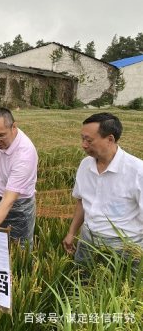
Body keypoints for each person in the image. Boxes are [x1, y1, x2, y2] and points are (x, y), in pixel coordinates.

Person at [62, 113, 143, 268]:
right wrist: (71, 233)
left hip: (124, 247)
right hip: (88, 239)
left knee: (121, 289)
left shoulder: (137, 171)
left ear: (110, 139)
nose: (83, 145)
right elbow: (82, 201)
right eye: (82, 139)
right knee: (82, 283)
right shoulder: (85, 165)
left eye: (89, 140)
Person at [0, 107, 38, 250]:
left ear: (13, 127)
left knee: (19, 250)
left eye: (1, 135)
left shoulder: (25, 154)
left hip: (18, 206)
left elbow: (9, 200)